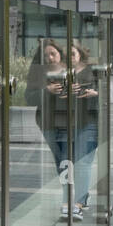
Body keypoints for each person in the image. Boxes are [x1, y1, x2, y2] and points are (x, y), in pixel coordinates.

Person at [26, 39, 74, 210]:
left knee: (68, 160)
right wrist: (46, 91)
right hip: (48, 123)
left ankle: (71, 200)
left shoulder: (72, 71)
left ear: (60, 53)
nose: (50, 58)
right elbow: (29, 98)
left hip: (71, 122)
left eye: (53, 53)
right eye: (46, 56)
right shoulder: (39, 75)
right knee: (61, 160)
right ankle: (71, 197)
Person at [68, 42, 99, 220]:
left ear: (80, 54)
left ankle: (78, 204)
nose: (70, 58)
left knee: (83, 163)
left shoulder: (91, 71)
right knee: (75, 163)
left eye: (73, 54)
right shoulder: (63, 73)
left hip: (90, 121)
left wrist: (95, 94)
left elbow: (106, 92)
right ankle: (84, 198)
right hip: (70, 123)